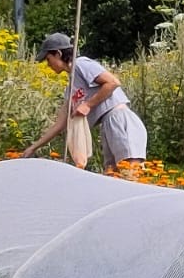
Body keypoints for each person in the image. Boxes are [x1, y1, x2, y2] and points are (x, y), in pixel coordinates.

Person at [20, 33, 149, 174]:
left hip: (119, 118)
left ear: (58, 54)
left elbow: (112, 82)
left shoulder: (81, 64)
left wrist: (88, 104)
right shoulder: (71, 88)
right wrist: (33, 148)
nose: (48, 64)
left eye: (48, 59)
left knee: (130, 173)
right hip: (107, 125)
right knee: (114, 176)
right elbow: (60, 124)